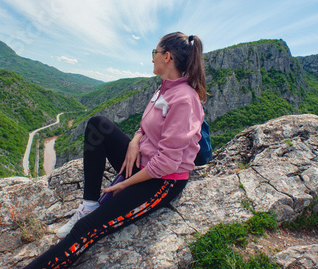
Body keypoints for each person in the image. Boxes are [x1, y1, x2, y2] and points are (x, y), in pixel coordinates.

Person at [24, 32, 207, 268]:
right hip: (142, 161)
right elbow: (146, 125)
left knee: (86, 229)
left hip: (162, 180)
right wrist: (135, 140)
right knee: (97, 125)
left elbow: (168, 163)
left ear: (167, 57)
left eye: (155, 53)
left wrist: (124, 184)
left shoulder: (184, 99)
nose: (152, 58)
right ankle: (89, 204)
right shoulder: (163, 89)